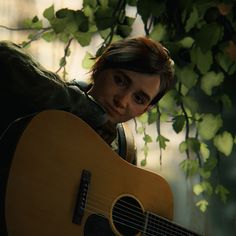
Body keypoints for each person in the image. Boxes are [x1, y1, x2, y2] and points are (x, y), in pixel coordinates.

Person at [0, 36, 174, 235]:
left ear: (144, 110)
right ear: (100, 67)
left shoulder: (124, 154)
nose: (122, 101)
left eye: (139, 98)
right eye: (120, 80)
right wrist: (86, 110)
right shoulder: (52, 98)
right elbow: (4, 56)